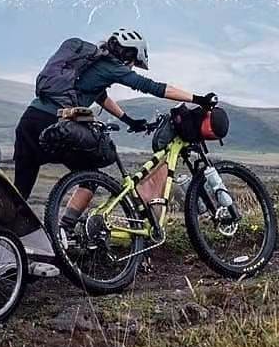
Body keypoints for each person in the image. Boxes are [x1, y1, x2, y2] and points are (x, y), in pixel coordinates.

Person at [13, 28, 217, 221]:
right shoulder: (112, 67)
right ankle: (64, 230)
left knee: (19, 192)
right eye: (133, 62)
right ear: (128, 55)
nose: (130, 67)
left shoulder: (91, 63)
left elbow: (100, 96)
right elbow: (152, 87)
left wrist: (128, 120)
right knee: (90, 177)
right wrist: (198, 99)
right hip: (56, 123)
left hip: (30, 120)